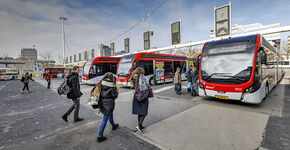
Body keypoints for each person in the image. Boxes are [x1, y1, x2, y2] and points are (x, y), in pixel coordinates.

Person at [96, 72, 119, 142]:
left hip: (102, 103)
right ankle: (99, 136)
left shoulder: (101, 83)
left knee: (110, 114)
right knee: (105, 119)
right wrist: (117, 91)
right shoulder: (112, 86)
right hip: (109, 104)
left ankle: (113, 125)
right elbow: (114, 96)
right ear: (112, 78)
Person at [129, 67, 149, 133]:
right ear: (141, 71)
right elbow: (144, 87)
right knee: (144, 111)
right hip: (142, 96)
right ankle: (139, 126)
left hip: (136, 96)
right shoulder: (141, 77)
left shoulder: (134, 77)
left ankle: (140, 125)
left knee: (139, 111)